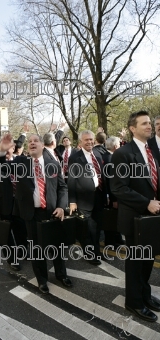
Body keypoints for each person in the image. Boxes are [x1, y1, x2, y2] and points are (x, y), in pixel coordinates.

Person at [0, 133, 72, 294]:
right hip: (31, 214)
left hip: (52, 212)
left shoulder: (53, 163)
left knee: (56, 246)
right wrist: (2, 151)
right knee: (36, 249)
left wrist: (61, 206)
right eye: (29, 141)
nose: (32, 143)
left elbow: (62, 187)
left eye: (35, 141)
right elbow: (1, 165)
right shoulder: (20, 162)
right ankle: (42, 280)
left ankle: (61, 274)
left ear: (42, 145)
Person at [111, 110, 160, 322]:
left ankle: (145, 295)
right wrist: (146, 203)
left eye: (150, 123)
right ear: (133, 128)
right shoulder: (122, 154)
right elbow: (118, 188)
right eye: (145, 124)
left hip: (152, 218)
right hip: (134, 218)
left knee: (148, 259)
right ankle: (134, 302)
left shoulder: (153, 151)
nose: (150, 126)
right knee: (136, 262)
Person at [0, 139, 27, 271]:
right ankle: (12, 259)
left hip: (20, 203)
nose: (10, 148)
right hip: (3, 204)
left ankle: (23, 252)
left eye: (11, 145)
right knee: (6, 233)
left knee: (21, 230)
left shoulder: (21, 161)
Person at [68, 130, 106, 265]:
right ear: (80, 142)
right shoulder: (75, 157)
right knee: (87, 230)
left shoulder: (97, 154)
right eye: (86, 140)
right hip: (83, 199)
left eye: (91, 139)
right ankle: (90, 254)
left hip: (99, 196)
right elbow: (71, 180)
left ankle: (97, 251)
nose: (89, 142)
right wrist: (72, 201)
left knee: (97, 227)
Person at [102, 136, 124, 248]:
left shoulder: (107, 156)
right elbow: (110, 181)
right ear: (115, 146)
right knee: (111, 218)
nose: (120, 146)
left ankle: (117, 238)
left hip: (112, 195)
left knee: (115, 217)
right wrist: (113, 198)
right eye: (119, 144)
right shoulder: (110, 159)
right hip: (112, 196)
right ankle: (110, 242)